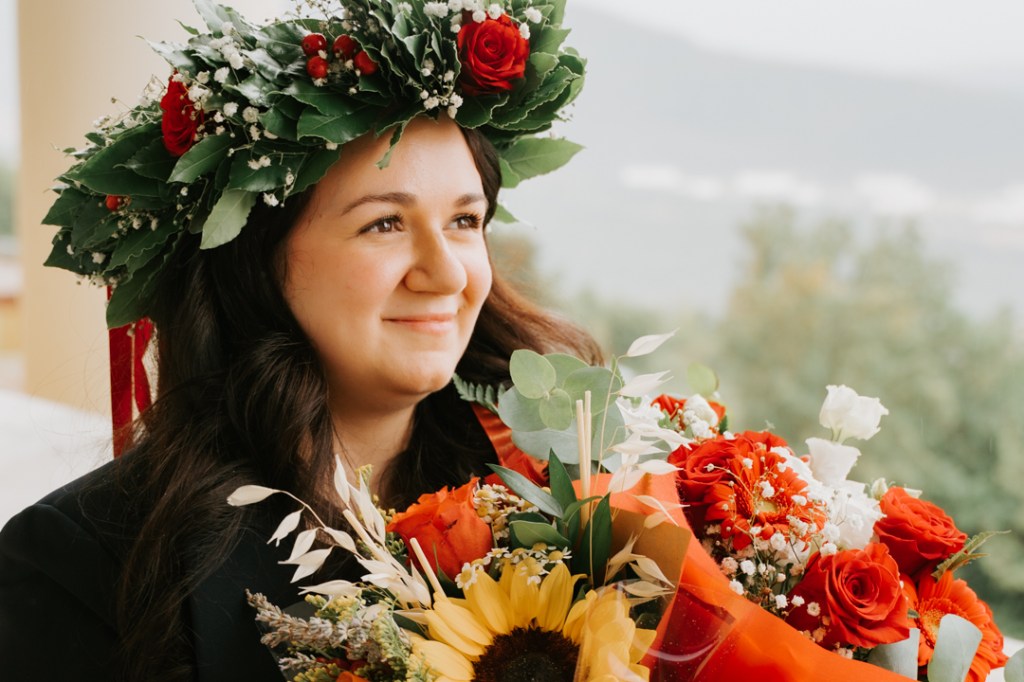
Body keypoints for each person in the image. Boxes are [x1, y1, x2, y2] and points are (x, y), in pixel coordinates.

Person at [0, 2, 596, 679]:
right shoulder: (80, 561)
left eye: (464, 220)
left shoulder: (571, 492)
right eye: (384, 225)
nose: (447, 273)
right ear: (259, 259)